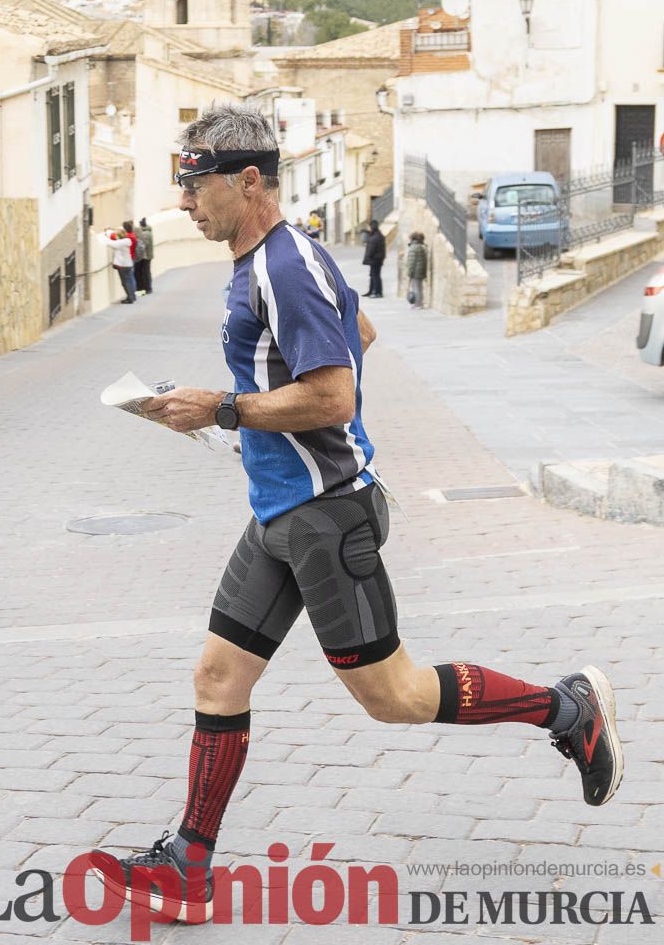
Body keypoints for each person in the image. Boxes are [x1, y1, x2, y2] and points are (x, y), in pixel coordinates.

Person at [93, 104, 623, 923]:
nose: (184, 202)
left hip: (327, 516)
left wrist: (225, 409)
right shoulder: (275, 258)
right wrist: (243, 412)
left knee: (396, 697)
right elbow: (359, 332)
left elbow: (334, 389)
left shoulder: (282, 265)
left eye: (194, 185)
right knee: (218, 675)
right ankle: (187, 869)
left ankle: (567, 707)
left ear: (246, 180)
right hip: (278, 510)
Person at [104, 228, 135, 304]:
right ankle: (132, 296)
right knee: (129, 281)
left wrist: (106, 238)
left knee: (125, 282)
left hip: (123, 265)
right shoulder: (127, 241)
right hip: (128, 264)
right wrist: (108, 231)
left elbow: (111, 243)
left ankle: (130, 298)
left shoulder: (121, 242)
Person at [362, 218, 386, 298]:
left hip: (375, 259)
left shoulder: (375, 237)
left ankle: (377, 292)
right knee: (373, 275)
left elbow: (371, 250)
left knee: (375, 276)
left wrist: (367, 257)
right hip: (377, 259)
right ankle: (372, 291)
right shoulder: (378, 235)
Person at [406, 230, 428, 308]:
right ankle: (419, 303)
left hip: (415, 272)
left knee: (416, 288)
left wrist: (409, 272)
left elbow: (411, 262)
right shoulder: (421, 247)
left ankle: (418, 304)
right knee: (419, 287)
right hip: (420, 271)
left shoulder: (413, 248)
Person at [136, 217, 154, 295]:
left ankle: (147, 288)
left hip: (145, 256)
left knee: (145, 273)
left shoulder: (144, 234)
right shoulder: (149, 232)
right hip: (148, 255)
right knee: (147, 272)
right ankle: (148, 287)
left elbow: (143, 245)